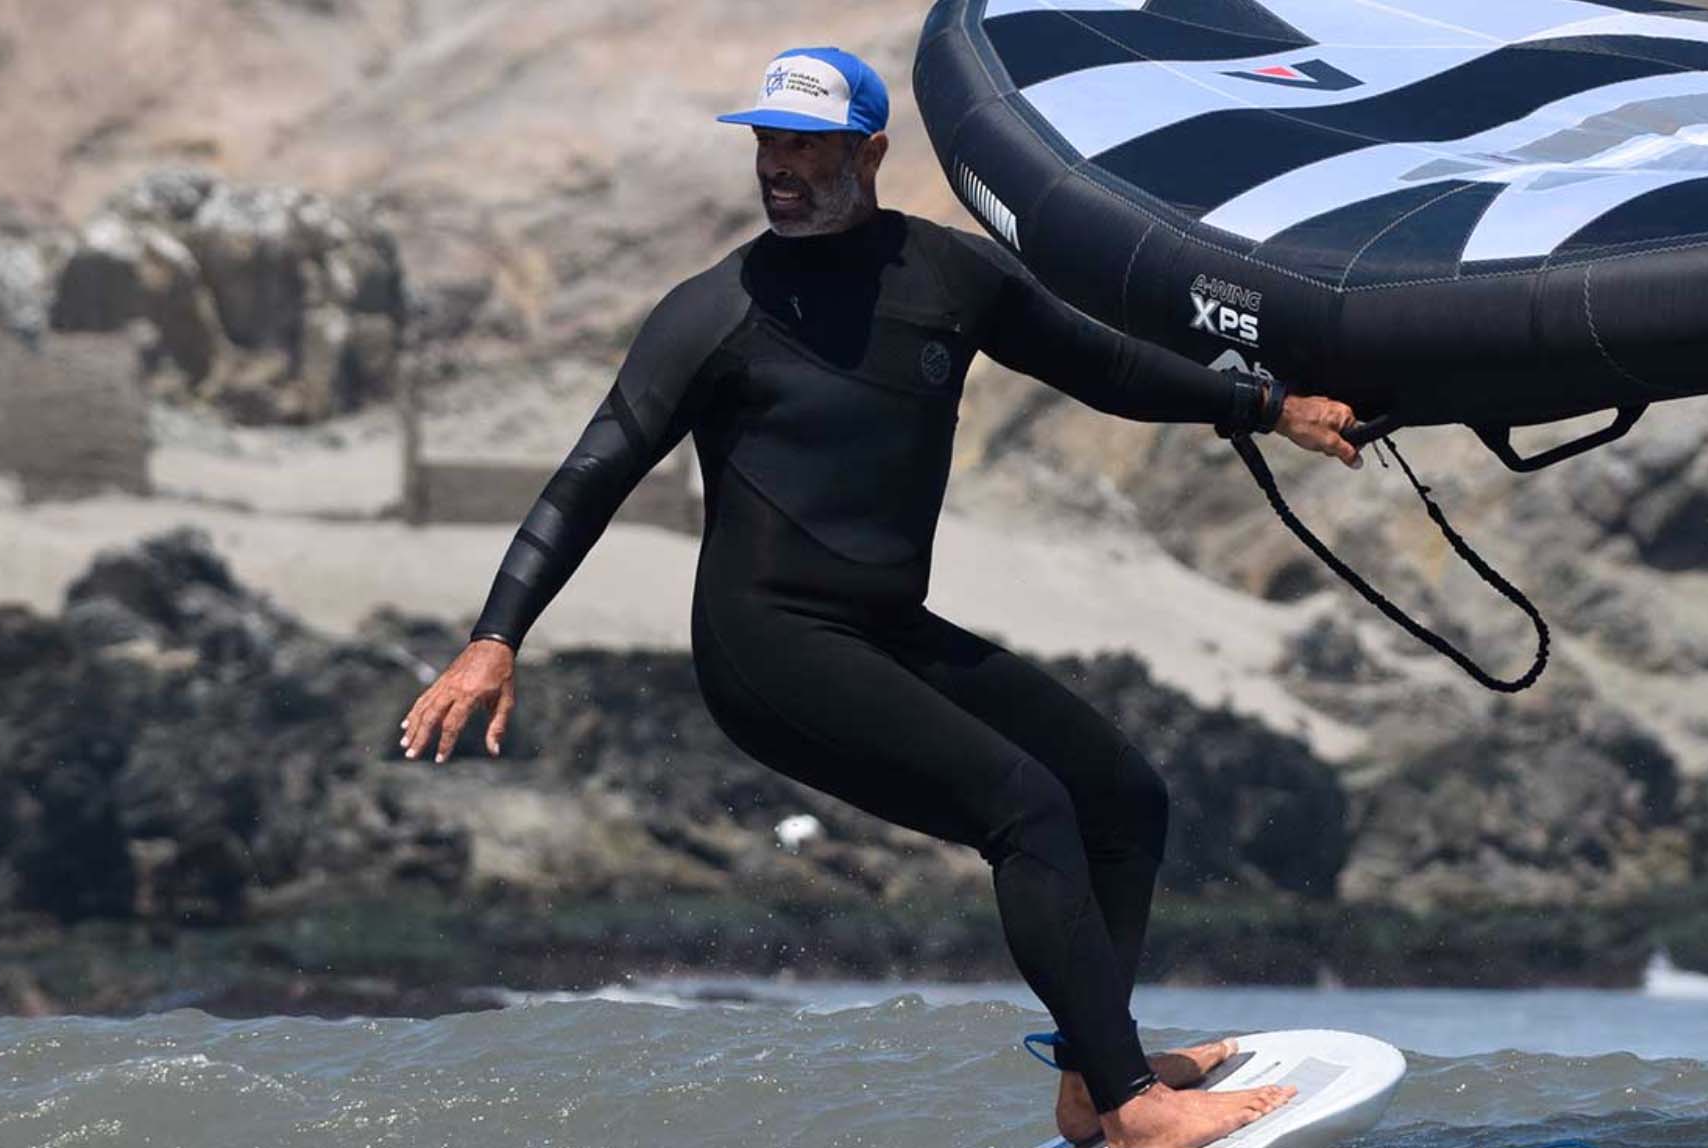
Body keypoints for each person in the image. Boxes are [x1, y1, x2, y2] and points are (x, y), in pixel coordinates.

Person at [396, 45, 1361, 1148]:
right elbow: (591, 474)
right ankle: (1136, 1108)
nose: (778, 165)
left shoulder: (948, 276)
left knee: (1123, 795)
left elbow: (1105, 367)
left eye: (805, 145)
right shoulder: (713, 312)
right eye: (767, 141)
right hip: (769, 647)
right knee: (1026, 807)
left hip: (883, 630)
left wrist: (1267, 406)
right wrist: (496, 636)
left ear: (868, 153)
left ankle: (1095, 1078)